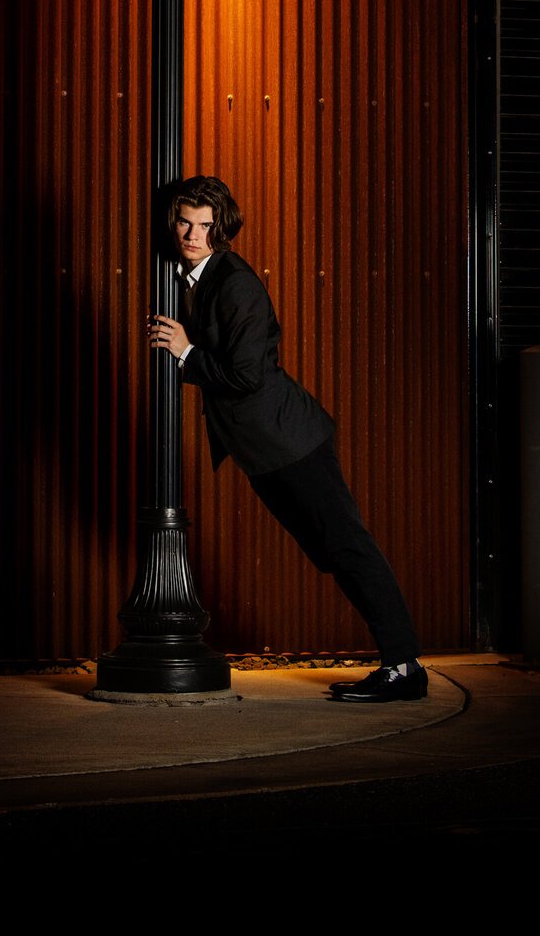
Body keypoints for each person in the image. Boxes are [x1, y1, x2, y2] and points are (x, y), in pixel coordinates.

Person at [147, 174, 427, 704]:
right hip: (266, 451)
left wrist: (185, 352)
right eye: (185, 221)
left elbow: (248, 375)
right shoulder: (193, 277)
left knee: (348, 547)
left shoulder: (235, 281)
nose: (191, 233)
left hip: (290, 441)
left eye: (204, 225)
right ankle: (400, 662)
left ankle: (404, 667)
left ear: (221, 229)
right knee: (333, 552)